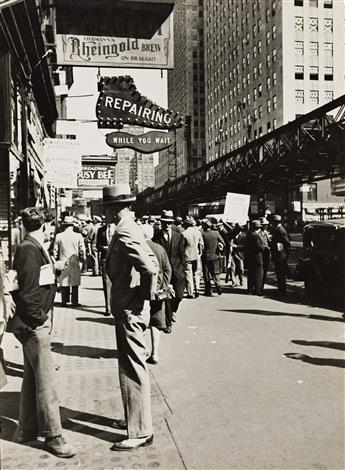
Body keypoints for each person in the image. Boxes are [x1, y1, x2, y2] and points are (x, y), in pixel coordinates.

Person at [8, 207, 76, 458]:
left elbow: (34, 280)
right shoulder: (28, 248)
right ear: (45, 225)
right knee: (47, 382)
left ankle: (26, 429)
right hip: (33, 323)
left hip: (30, 322)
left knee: (32, 377)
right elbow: (27, 292)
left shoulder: (32, 245)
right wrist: (40, 320)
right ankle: (53, 435)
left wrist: (53, 269)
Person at [103, 184, 156, 451]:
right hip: (129, 306)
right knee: (132, 365)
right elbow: (151, 264)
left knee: (133, 368)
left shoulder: (124, 231)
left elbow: (148, 268)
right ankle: (134, 419)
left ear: (115, 208)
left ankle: (140, 431)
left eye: (107, 208)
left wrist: (141, 299)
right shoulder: (130, 227)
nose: (106, 213)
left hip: (129, 308)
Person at [142, 224, 172, 364]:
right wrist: (163, 285)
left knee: (140, 320)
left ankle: (142, 349)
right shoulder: (160, 248)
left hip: (140, 290)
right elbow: (167, 269)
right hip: (158, 290)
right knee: (156, 322)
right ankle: (155, 353)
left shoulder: (139, 248)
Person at [153, 210, 186, 333]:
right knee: (166, 298)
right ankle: (168, 323)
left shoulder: (178, 236)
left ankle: (173, 311)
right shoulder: (156, 237)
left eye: (169, 223)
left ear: (172, 223)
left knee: (178, 295)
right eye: (164, 223)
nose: (166, 225)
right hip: (165, 272)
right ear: (161, 223)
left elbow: (182, 253)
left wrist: (183, 267)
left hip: (178, 272)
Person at [53, 216, 85, 307]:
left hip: (63, 261)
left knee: (64, 281)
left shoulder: (59, 236)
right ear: (72, 226)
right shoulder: (78, 236)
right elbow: (82, 250)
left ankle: (64, 301)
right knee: (75, 281)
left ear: (64, 226)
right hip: (75, 260)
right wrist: (82, 259)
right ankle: (74, 301)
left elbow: (55, 250)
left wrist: (56, 260)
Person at [96, 218, 115, 316]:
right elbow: (97, 245)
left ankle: (116, 307)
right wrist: (103, 248)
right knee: (106, 283)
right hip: (105, 259)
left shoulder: (118, 229)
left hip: (117, 259)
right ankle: (108, 308)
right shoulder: (101, 230)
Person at [201, 219, 225, 296]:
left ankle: (208, 290)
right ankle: (218, 285)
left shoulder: (202, 233)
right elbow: (223, 243)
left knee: (206, 274)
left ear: (204, 226)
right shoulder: (216, 233)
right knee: (216, 272)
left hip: (205, 257)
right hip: (215, 256)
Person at [183, 216, 204, 298]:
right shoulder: (198, 232)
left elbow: (182, 246)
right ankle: (197, 289)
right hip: (196, 255)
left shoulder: (184, 234)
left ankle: (190, 292)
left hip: (187, 256)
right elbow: (202, 244)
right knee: (197, 273)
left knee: (188, 274)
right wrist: (200, 253)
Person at [270, 214, 291, 295]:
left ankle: (282, 290)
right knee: (279, 273)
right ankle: (281, 289)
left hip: (281, 255)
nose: (271, 224)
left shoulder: (281, 230)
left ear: (275, 222)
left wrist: (286, 255)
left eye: (272, 223)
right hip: (279, 254)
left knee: (281, 273)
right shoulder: (277, 229)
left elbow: (287, 243)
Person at [245, 220, 265, 296]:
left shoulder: (249, 234)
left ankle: (250, 289)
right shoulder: (255, 236)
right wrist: (264, 247)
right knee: (258, 274)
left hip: (250, 257)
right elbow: (260, 247)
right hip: (257, 257)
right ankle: (258, 290)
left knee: (251, 273)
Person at [259, 217, 271, 293]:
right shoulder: (258, 233)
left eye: (266, 225)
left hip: (266, 255)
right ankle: (259, 287)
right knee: (260, 272)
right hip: (260, 255)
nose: (266, 226)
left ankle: (262, 288)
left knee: (265, 272)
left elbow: (269, 242)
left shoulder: (267, 233)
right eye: (264, 225)